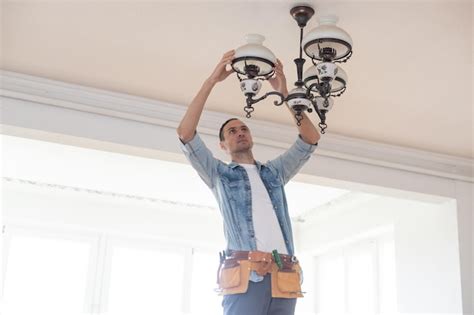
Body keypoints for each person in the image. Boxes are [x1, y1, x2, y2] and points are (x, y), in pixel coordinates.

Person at [177, 50, 320, 315]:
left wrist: (285, 93)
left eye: (243, 128)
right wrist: (211, 81)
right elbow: (186, 134)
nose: (240, 133)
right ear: (222, 144)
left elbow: (310, 139)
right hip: (245, 275)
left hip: (284, 276)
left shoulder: (274, 173)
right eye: (232, 131)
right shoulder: (220, 174)